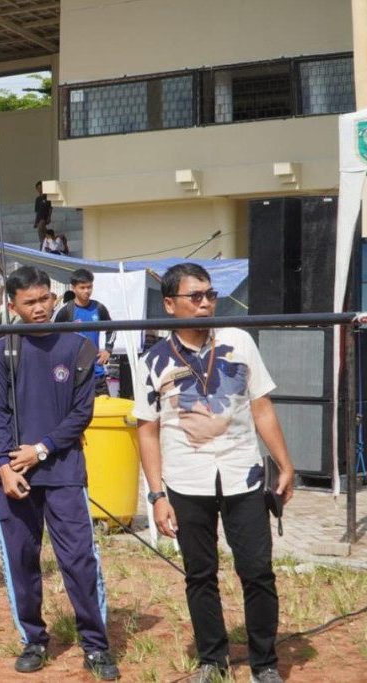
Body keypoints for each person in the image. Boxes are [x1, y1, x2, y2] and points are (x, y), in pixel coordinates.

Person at [133, 263, 294, 683]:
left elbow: (261, 407)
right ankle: (212, 658)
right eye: (195, 297)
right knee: (199, 574)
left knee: (257, 571)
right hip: (187, 482)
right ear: (170, 305)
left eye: (210, 295)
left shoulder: (239, 341)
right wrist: (157, 495)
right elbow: (146, 431)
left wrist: (285, 463)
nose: (206, 304)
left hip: (243, 475)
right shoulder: (152, 360)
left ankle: (264, 663)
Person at [0, 266, 119, 680]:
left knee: (78, 559)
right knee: (22, 560)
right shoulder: (1, 350)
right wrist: (5, 466)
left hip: (62, 471)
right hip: (14, 477)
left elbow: (82, 412)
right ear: (13, 306)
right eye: (29, 302)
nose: (39, 308)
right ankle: (34, 639)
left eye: (44, 298)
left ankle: (95, 645)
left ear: (53, 298)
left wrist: (40, 450)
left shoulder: (77, 348)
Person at [54, 269, 115, 397]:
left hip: (96, 374)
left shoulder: (99, 308)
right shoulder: (66, 311)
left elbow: (112, 328)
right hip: (74, 375)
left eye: (89, 287)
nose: (87, 291)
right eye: (82, 287)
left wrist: (108, 350)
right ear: (73, 288)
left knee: (103, 412)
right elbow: (54, 338)